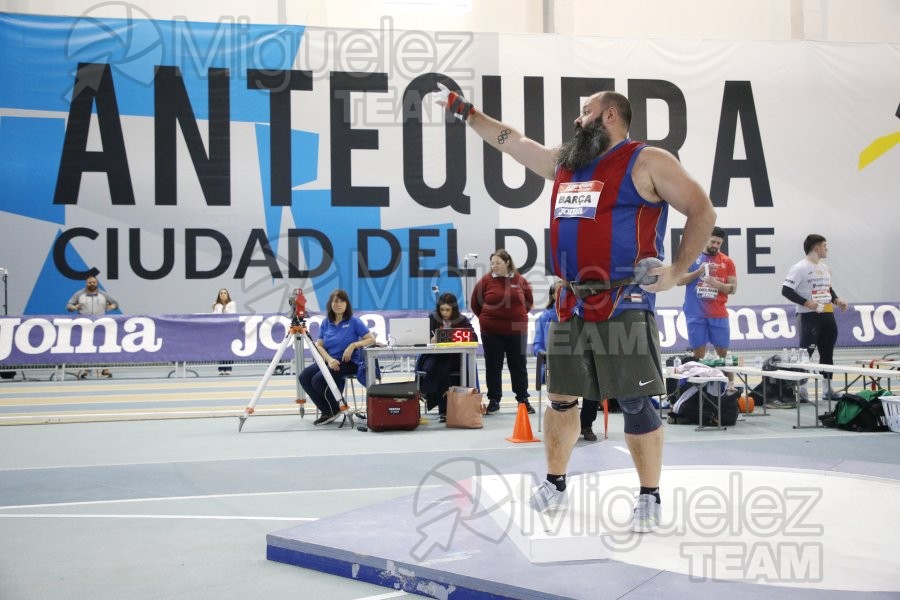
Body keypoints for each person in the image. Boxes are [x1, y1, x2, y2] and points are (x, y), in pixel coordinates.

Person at [437, 84, 716, 532]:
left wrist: (676, 268)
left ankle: (649, 496)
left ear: (609, 115)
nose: (577, 119)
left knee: (636, 399)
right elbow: (514, 142)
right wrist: (468, 113)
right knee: (561, 399)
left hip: (624, 301)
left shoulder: (647, 160)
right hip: (569, 303)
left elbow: (702, 209)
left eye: (585, 112)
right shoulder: (567, 164)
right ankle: (555, 482)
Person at [781, 234, 849, 401]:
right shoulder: (799, 268)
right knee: (806, 353)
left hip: (827, 314)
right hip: (808, 316)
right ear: (816, 248)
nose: (827, 249)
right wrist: (806, 303)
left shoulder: (825, 268)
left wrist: (837, 300)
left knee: (827, 353)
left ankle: (827, 390)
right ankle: (802, 390)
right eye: (825, 245)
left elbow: (827, 290)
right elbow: (786, 290)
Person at [533, 280, 601, 442]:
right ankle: (569, 424)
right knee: (569, 383)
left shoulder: (584, 316)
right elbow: (537, 345)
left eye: (567, 293)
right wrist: (547, 354)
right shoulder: (545, 317)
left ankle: (585, 424)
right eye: (559, 292)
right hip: (557, 364)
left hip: (582, 362)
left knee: (594, 384)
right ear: (553, 295)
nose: (563, 295)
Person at [470, 249, 534, 415]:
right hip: (492, 332)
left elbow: (528, 302)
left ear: (507, 262)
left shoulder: (520, 280)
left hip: (517, 330)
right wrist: (487, 318)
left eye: (497, 263)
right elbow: (475, 304)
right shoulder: (485, 281)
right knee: (493, 366)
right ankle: (494, 400)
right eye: (492, 263)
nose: (494, 266)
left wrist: (516, 316)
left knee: (519, 366)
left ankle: (522, 399)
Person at [299, 289, 375, 426]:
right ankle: (328, 409)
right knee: (304, 377)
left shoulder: (354, 322)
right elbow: (319, 345)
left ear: (347, 304)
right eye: (335, 301)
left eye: (341, 301)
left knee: (318, 380)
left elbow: (371, 339)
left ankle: (335, 408)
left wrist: (353, 345)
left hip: (348, 361)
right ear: (330, 304)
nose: (338, 304)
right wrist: (328, 359)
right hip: (330, 360)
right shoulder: (326, 323)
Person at [677, 226, 738, 390]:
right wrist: (699, 272)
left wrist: (716, 284)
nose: (716, 245)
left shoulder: (727, 261)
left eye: (719, 243)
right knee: (698, 353)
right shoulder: (692, 257)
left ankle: (730, 385)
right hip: (695, 313)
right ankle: (697, 386)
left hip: (718, 314)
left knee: (723, 352)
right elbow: (678, 280)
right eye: (713, 241)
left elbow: (733, 288)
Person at [418, 292, 478, 423]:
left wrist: (455, 336)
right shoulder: (432, 318)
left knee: (444, 364)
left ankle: (426, 390)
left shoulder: (462, 320)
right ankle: (444, 412)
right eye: (442, 309)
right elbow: (421, 338)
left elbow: (474, 338)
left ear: (454, 309)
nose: (444, 313)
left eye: (448, 310)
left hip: (455, 359)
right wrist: (430, 340)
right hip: (433, 358)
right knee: (443, 367)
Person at [66, 275, 118, 379]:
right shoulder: (79, 294)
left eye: (94, 282)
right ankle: (85, 369)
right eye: (90, 282)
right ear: (86, 283)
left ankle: (105, 369)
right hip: (85, 326)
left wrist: (111, 307)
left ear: (97, 283)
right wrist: (74, 307)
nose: (92, 284)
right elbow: (68, 306)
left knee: (103, 348)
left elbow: (115, 304)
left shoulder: (103, 294)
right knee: (85, 348)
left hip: (101, 326)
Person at [212, 288, 237, 375]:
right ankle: (221, 369)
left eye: (225, 293)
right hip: (220, 331)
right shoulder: (216, 305)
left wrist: (225, 308)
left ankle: (228, 368)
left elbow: (233, 314)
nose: (223, 294)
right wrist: (218, 307)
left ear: (227, 295)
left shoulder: (232, 303)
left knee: (229, 348)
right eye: (221, 293)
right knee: (220, 349)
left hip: (229, 330)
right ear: (219, 295)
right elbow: (214, 316)